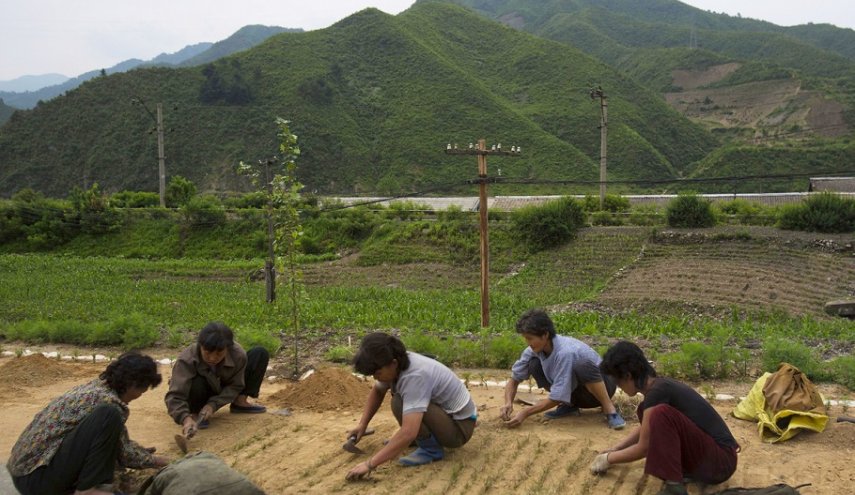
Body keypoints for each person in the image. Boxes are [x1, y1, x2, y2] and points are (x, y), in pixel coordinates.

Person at [7, 351, 168, 495]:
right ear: (132, 384)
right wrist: (161, 461)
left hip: (23, 474)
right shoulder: (108, 404)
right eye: (142, 389)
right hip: (36, 480)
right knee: (109, 415)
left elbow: (114, 444)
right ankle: (88, 490)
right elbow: (125, 453)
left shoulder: (96, 389)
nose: (141, 394)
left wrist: (137, 451)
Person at [591, 341, 740, 495]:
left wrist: (609, 459)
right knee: (648, 411)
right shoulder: (658, 389)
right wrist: (617, 448)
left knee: (660, 414)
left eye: (617, 381)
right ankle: (681, 473)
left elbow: (644, 447)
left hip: (721, 462)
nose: (618, 387)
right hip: (714, 460)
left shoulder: (658, 393)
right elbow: (646, 430)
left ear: (628, 376)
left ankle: (673, 486)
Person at [345, 332, 477, 480]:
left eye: (377, 373)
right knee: (400, 401)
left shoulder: (415, 376)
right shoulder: (397, 363)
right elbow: (378, 390)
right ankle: (423, 439)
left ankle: (431, 450)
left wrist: (369, 464)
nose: (376, 377)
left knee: (400, 402)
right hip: (447, 416)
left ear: (393, 363)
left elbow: (408, 432)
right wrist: (363, 424)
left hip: (459, 429)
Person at [500, 308, 625, 429]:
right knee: (534, 364)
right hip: (579, 393)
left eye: (530, 338)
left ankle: (610, 409)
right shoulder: (533, 350)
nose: (527, 342)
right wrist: (508, 403)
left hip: (602, 387)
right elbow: (514, 379)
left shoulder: (566, 352)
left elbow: (557, 396)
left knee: (582, 364)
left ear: (545, 335)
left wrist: (525, 412)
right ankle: (569, 405)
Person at [165, 322, 269, 438]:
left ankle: (239, 402)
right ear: (200, 346)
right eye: (207, 352)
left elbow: (235, 386)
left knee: (259, 354)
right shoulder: (187, 359)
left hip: (221, 387)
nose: (213, 358)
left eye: (219, 354)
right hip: (201, 390)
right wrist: (184, 418)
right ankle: (194, 413)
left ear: (228, 349)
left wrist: (213, 405)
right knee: (197, 382)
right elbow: (175, 396)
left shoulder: (238, 354)